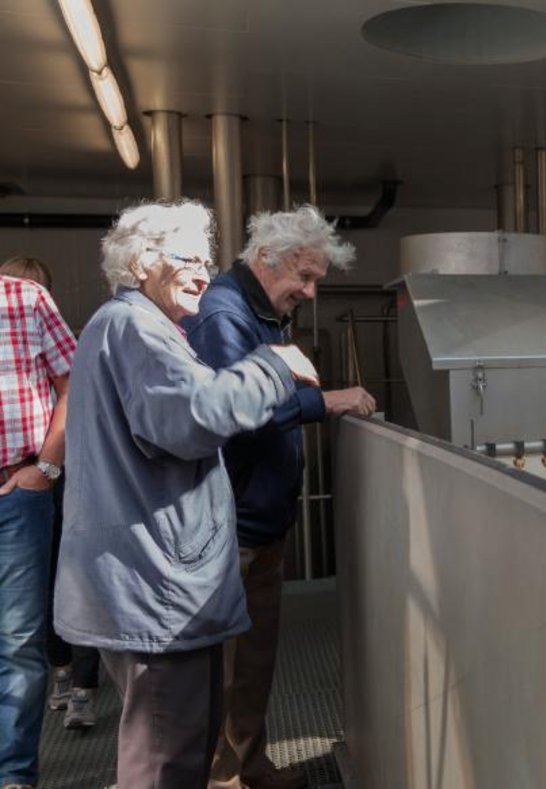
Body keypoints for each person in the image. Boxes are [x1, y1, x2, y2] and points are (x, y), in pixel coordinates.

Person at [53, 200, 318, 787]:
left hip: (154, 580)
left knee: (183, 747)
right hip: (152, 589)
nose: (204, 272)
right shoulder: (134, 327)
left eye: (207, 259)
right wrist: (272, 368)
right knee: (163, 759)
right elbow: (192, 418)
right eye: (189, 259)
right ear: (143, 263)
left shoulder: (137, 326)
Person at [183, 205, 374, 789]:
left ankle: (249, 765)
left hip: (261, 518)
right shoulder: (224, 313)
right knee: (227, 664)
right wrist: (327, 401)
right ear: (267, 259)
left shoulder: (261, 312)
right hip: (233, 522)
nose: (310, 293)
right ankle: (223, 777)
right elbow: (241, 413)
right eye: (305, 277)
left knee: (256, 657)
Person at [0, 256, 100, 732]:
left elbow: (76, 386)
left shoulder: (32, 306)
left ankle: (79, 686)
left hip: (38, 482)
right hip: (39, 483)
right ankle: (67, 676)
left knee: (62, 592)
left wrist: (45, 467)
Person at [0, 258, 76, 789]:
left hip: (17, 488)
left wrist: (45, 466)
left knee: (19, 640)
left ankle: (13, 775)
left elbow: (74, 384)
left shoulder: (25, 298)